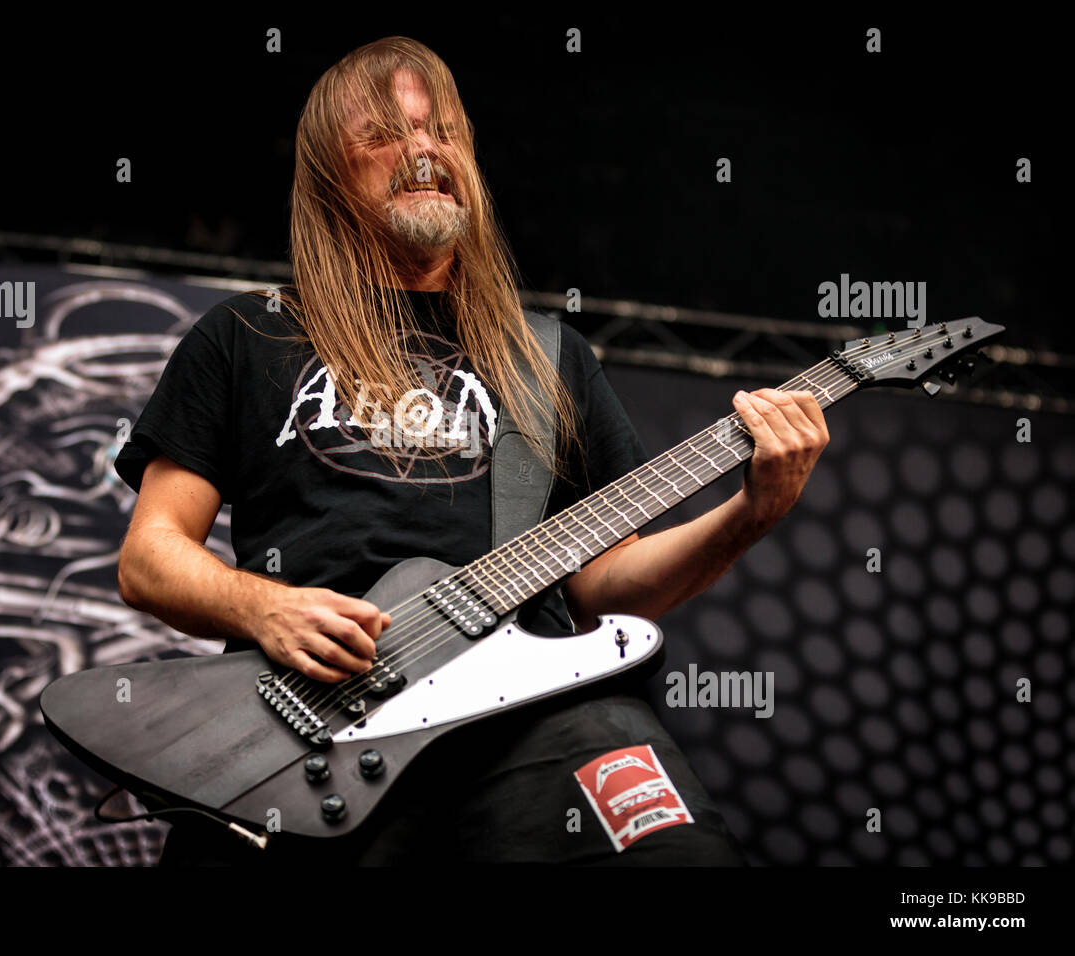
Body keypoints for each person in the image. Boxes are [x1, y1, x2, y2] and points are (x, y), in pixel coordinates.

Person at [113, 36, 828, 865]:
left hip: (525, 714)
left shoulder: (547, 358)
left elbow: (604, 586)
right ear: (326, 174)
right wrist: (265, 608)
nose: (422, 151)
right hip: (310, 727)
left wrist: (751, 512)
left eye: (441, 129)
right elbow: (150, 558)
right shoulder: (247, 334)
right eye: (384, 132)